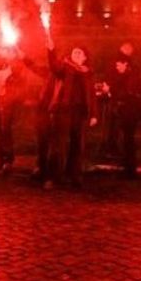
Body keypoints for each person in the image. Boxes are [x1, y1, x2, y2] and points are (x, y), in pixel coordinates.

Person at [33, 38, 98, 189]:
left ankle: (74, 175)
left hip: (80, 113)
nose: (75, 54)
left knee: (77, 146)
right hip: (63, 110)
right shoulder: (65, 67)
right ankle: (52, 177)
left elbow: (91, 95)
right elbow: (54, 67)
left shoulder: (88, 73)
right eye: (74, 51)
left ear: (84, 57)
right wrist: (51, 50)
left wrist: (94, 114)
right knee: (58, 146)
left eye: (79, 52)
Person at [102, 42, 141, 179]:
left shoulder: (131, 72)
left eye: (119, 65)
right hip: (125, 107)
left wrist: (110, 90)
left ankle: (129, 169)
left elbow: (126, 91)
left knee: (127, 138)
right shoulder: (131, 70)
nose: (117, 66)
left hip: (128, 108)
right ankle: (126, 166)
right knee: (125, 138)